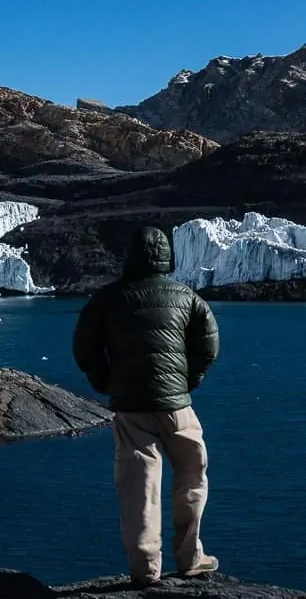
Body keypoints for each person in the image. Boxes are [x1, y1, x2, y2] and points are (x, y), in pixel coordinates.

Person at [72, 226, 220, 586]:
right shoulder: (186, 296)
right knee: (192, 478)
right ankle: (190, 557)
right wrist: (190, 379)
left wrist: (104, 381)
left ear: (131, 256)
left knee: (139, 486)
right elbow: (209, 344)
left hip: (132, 410)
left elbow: (84, 346)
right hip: (177, 407)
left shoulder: (107, 298)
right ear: (167, 256)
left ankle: (144, 569)